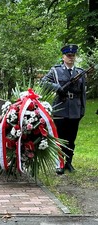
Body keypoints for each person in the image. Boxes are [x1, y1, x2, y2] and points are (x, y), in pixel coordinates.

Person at [42, 44, 86, 175]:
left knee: (71, 138)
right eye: (68, 56)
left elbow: (83, 93)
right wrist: (57, 88)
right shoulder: (55, 71)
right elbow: (43, 82)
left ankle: (69, 162)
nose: (71, 58)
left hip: (74, 109)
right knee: (60, 138)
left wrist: (82, 109)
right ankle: (59, 164)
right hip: (60, 108)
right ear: (63, 57)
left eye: (73, 56)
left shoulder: (80, 72)